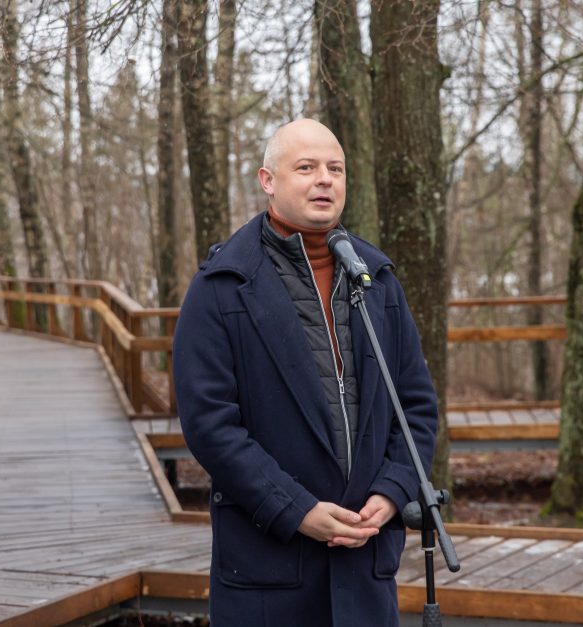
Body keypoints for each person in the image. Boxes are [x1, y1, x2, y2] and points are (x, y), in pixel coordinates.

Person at [172, 119, 439, 627]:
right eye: (306, 168)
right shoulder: (221, 287)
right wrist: (295, 510)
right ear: (267, 180)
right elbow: (210, 425)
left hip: (365, 566)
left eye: (335, 169)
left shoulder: (376, 280)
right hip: (269, 573)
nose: (324, 179)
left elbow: (415, 405)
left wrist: (394, 488)